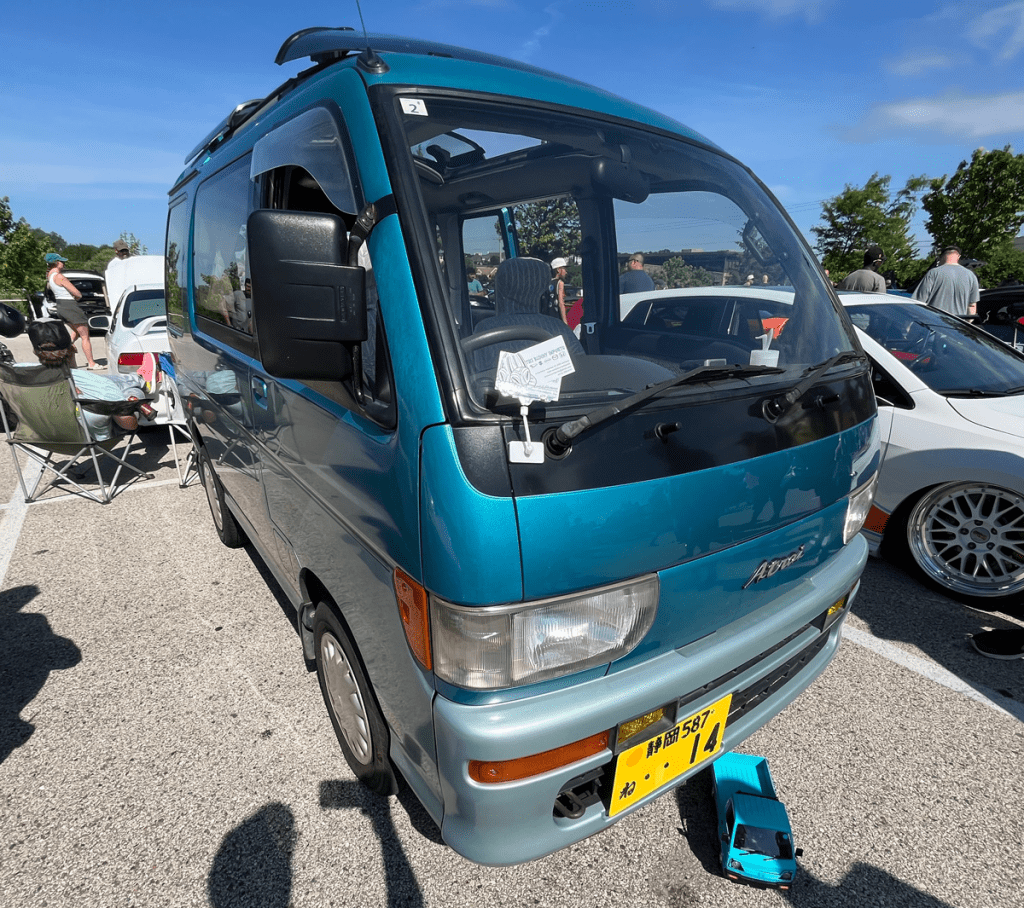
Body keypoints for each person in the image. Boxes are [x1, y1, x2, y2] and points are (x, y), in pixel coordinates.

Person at [25, 320, 155, 438]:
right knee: (121, 386)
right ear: (72, 349)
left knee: (110, 382)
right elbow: (130, 425)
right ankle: (138, 383)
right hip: (93, 438)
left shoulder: (21, 375)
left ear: (35, 352)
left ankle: (135, 386)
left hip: (46, 437)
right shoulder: (101, 386)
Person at [45, 253, 102, 370]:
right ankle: (91, 363)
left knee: (75, 332)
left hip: (60, 306)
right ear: (56, 263)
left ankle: (68, 355)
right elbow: (77, 293)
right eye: (62, 261)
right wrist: (76, 298)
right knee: (85, 336)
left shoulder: (50, 276)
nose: (64, 263)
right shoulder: (59, 276)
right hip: (69, 305)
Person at [912, 245, 980, 317]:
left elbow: (919, 301)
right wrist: (967, 322)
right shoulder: (971, 276)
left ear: (942, 257)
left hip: (934, 320)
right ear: (959, 257)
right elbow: (972, 306)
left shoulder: (933, 273)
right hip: (957, 322)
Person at [550, 257, 570, 323]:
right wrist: (565, 322)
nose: (566, 272)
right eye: (564, 269)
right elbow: (561, 303)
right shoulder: (560, 283)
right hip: (557, 318)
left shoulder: (547, 283)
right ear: (558, 270)